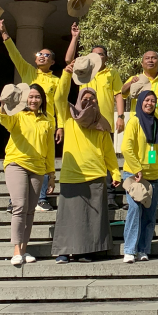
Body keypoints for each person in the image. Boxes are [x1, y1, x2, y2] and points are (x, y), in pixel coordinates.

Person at [51, 78, 122, 263]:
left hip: (96, 176)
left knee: (91, 219)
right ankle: (64, 252)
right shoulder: (68, 117)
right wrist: (67, 74)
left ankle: (86, 251)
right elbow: (59, 97)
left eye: (92, 99)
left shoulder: (102, 125)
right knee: (68, 217)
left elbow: (108, 153)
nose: (88, 102)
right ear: (78, 100)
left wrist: (115, 173)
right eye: (85, 98)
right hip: (71, 175)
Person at [0, 18, 61, 212]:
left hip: (46, 123)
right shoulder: (28, 72)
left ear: (52, 61)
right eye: (39, 54)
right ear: (35, 59)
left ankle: (41, 198)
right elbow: (14, 55)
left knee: (42, 158)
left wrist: (60, 126)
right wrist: (4, 33)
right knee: (20, 158)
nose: (42, 56)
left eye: (46, 55)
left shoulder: (57, 81)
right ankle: (14, 200)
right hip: (24, 121)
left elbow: (59, 105)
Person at [65, 25, 125, 208]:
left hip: (103, 121)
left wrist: (120, 116)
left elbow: (118, 94)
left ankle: (110, 196)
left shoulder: (112, 73)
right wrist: (75, 37)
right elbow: (68, 60)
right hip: (84, 120)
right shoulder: (84, 69)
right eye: (94, 54)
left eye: (100, 54)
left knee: (107, 156)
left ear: (106, 58)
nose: (97, 57)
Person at [0, 83, 55, 266]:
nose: (34, 100)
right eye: (30, 97)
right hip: (17, 163)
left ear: (42, 100)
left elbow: (49, 148)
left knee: (30, 210)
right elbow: (4, 119)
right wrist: (3, 105)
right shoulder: (18, 115)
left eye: (37, 97)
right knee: (20, 206)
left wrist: (51, 173)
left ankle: (23, 249)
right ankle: (16, 250)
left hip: (38, 168)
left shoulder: (48, 120)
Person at [121, 90, 158, 263]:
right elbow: (126, 147)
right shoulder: (134, 121)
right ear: (140, 102)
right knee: (134, 210)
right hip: (135, 176)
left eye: (153, 101)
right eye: (147, 100)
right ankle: (129, 249)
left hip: (155, 176)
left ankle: (143, 249)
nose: (149, 103)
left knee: (149, 215)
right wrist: (136, 168)